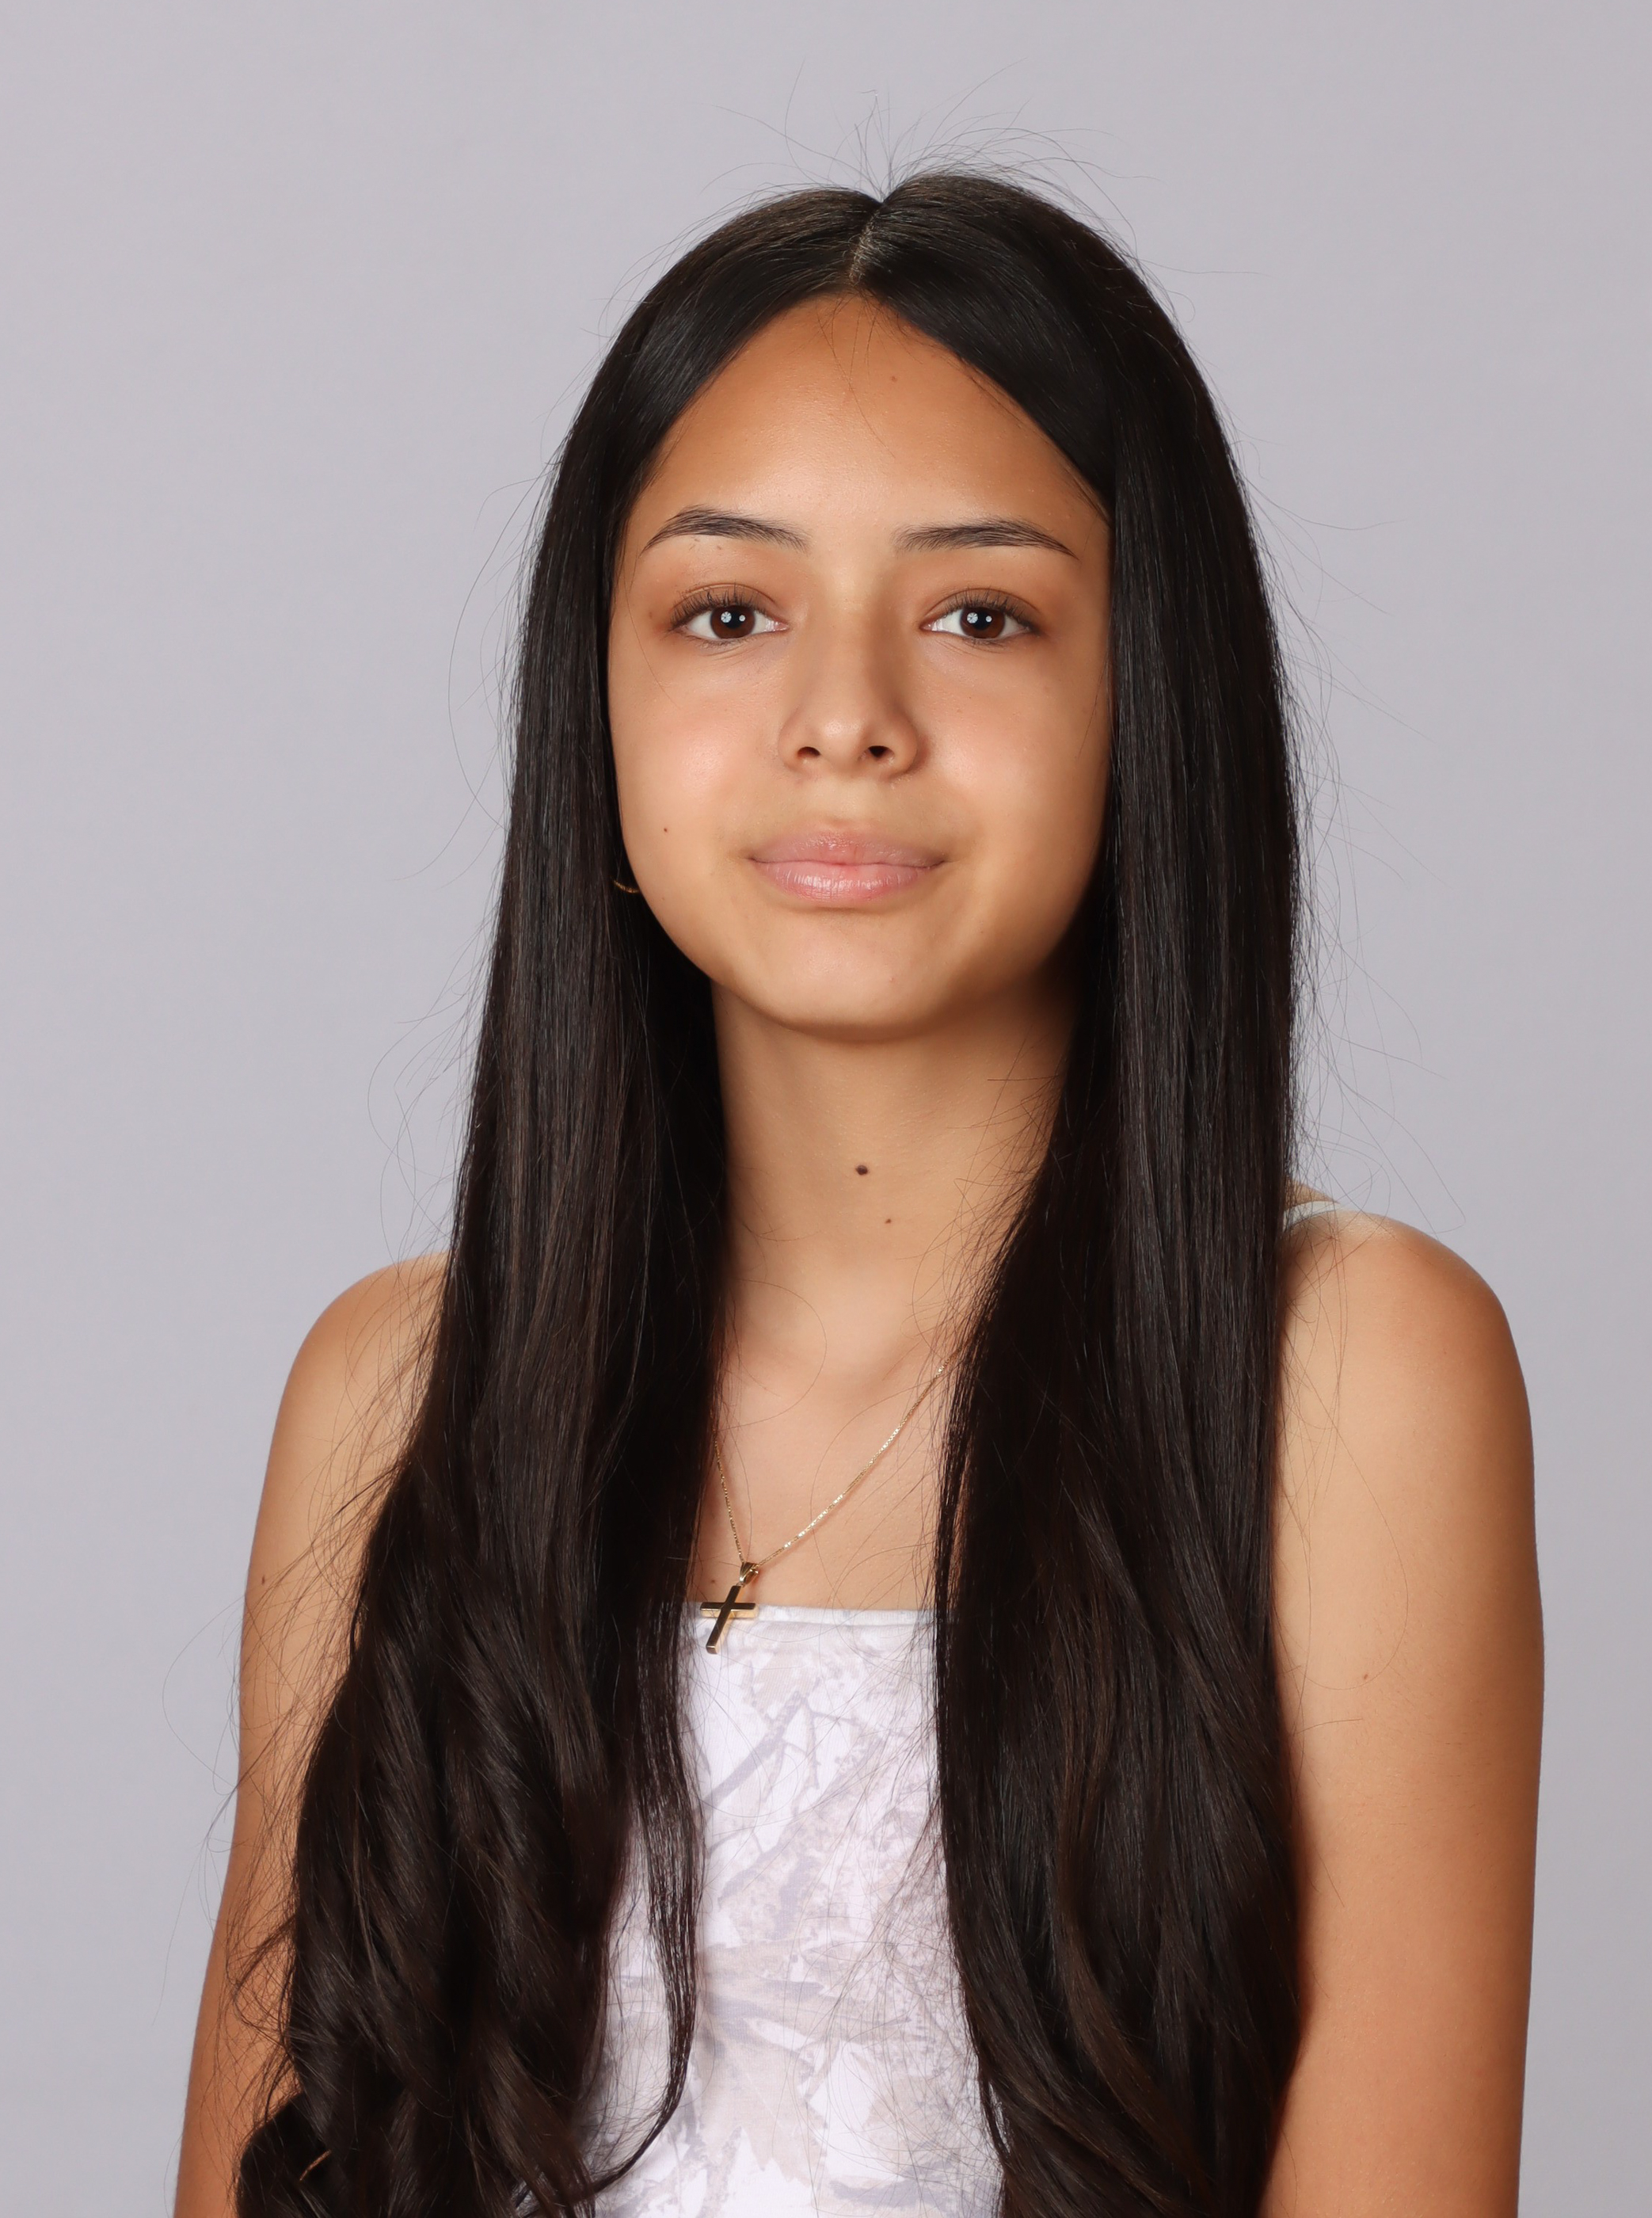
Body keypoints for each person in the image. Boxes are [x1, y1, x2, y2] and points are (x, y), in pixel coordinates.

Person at [173, 172, 1542, 2218]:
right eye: (728, 613)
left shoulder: (1347, 1376)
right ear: (595, 699)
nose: (844, 721)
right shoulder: (396, 1387)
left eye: (981, 615)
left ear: (1147, 700)